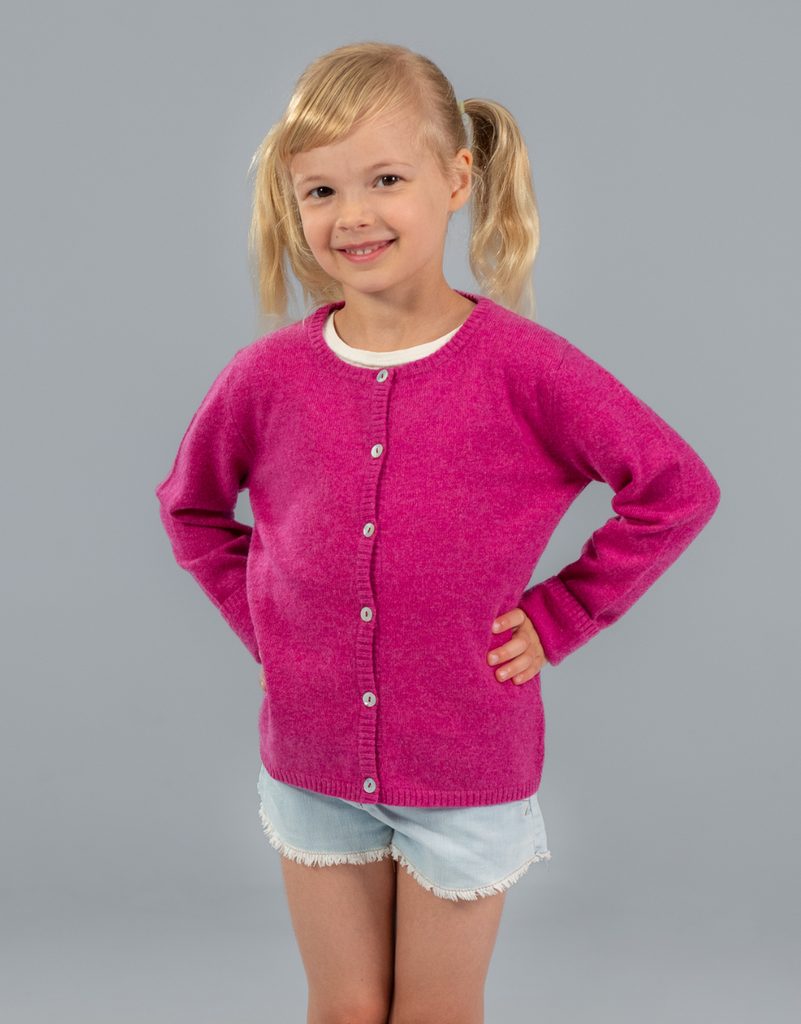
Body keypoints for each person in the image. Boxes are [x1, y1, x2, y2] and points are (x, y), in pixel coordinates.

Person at [156, 41, 720, 1024]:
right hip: (311, 763)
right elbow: (192, 509)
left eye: (385, 179)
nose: (353, 214)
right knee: (342, 1008)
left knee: (433, 1013)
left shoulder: (526, 368)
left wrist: (562, 615)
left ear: (457, 179)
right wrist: (270, 627)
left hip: (466, 765)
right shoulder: (265, 377)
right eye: (321, 190)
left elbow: (675, 488)